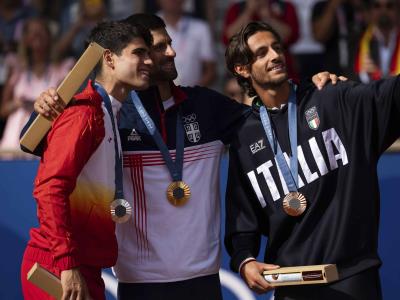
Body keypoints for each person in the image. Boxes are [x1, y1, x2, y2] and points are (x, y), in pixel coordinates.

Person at [27, 14, 342, 300]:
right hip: (138, 284)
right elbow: (48, 154)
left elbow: (270, 121)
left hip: (202, 281)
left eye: (171, 44)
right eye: (158, 47)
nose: (172, 53)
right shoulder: (112, 113)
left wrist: (309, 91)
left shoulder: (205, 106)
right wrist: (45, 106)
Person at [224, 20, 400, 299]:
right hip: (291, 286)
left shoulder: (331, 98)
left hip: (352, 278)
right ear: (242, 69)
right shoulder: (243, 137)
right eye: (262, 53)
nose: (274, 55)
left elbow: (391, 96)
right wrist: (245, 261)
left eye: (277, 47)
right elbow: (242, 222)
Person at [20, 20, 153, 300]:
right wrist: (67, 262)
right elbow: (49, 188)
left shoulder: (110, 114)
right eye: (139, 53)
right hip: (58, 268)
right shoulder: (84, 114)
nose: (149, 61)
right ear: (109, 58)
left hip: (81, 267)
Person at [0, 17, 74, 156]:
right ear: (25, 39)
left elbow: (66, 106)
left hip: (44, 134)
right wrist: (17, 104)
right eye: (32, 32)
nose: (37, 36)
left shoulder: (60, 69)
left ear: (49, 37)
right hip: (13, 138)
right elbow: (3, 110)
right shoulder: (16, 68)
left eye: (41, 32)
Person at [353, 0, 400, 83]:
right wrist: (365, 75)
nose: (383, 11)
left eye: (389, 5)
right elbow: (348, 77)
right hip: (369, 93)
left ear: (397, 9)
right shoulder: (356, 40)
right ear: (370, 10)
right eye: (377, 6)